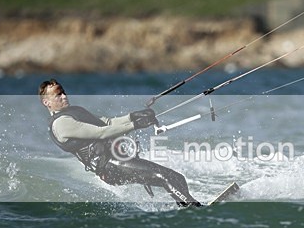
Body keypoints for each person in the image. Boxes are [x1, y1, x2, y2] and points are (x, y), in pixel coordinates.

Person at [39, 79, 202, 207]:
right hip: (110, 166)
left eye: (64, 92)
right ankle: (196, 211)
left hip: (118, 161)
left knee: (176, 178)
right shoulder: (61, 124)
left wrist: (132, 116)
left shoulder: (75, 111)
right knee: (164, 177)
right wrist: (134, 125)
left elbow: (107, 123)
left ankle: (186, 209)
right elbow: (101, 133)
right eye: (58, 95)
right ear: (46, 102)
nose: (64, 96)